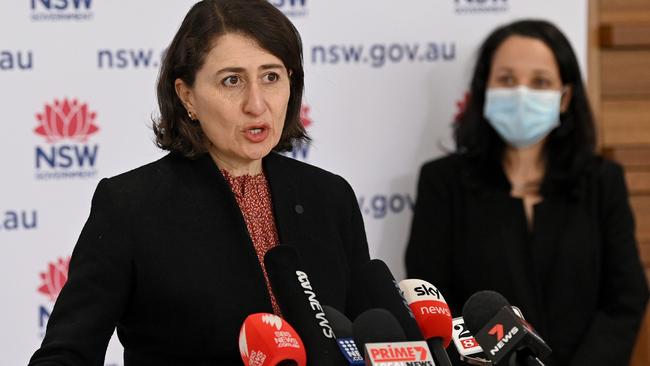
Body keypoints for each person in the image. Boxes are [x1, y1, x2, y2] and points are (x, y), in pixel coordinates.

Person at [29, 1, 370, 365]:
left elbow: (365, 338)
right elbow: (66, 353)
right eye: (232, 80)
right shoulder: (131, 206)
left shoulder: (331, 198)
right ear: (187, 96)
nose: (256, 104)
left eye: (271, 76)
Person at [405, 19, 648, 366]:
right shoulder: (443, 182)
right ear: (484, 91)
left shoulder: (602, 181)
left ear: (564, 97)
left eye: (540, 82)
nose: (521, 93)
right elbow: (436, 301)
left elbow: (625, 298)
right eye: (506, 80)